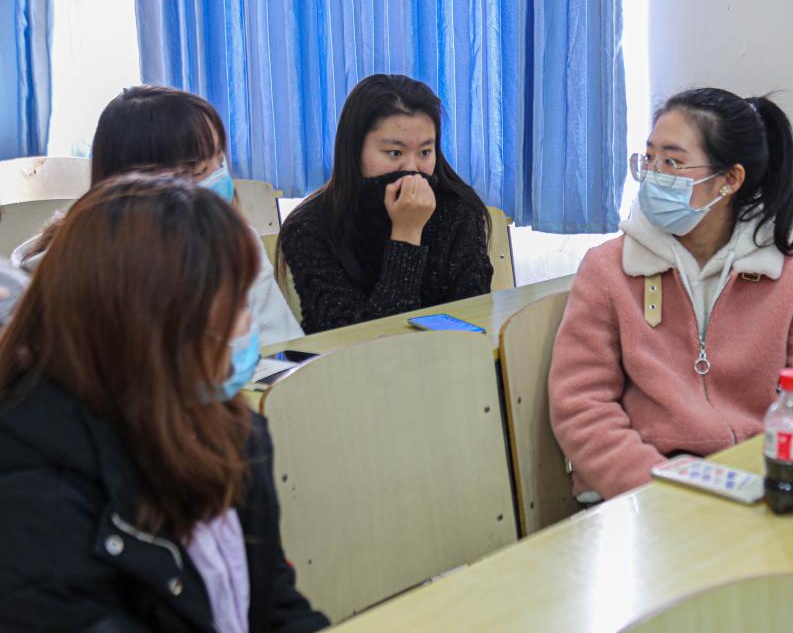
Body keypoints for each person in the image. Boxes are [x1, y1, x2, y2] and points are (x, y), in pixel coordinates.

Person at [0, 173, 328, 631]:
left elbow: (274, 604)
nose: (250, 327)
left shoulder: (231, 431)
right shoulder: (34, 492)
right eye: (234, 308)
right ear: (152, 328)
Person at [549, 87, 793, 502]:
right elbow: (581, 407)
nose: (653, 174)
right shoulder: (608, 269)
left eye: (672, 162)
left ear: (729, 180)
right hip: (641, 489)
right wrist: (659, 487)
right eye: (649, 158)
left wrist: (770, 480)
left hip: (755, 480)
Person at [10, 85, 302, 347]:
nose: (219, 178)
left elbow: (282, 346)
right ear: (136, 184)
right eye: (198, 171)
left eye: (220, 160)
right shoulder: (75, 271)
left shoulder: (237, 242)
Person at [279, 74, 493, 334]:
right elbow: (363, 341)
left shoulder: (459, 210)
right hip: (349, 360)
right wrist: (406, 235)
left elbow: (471, 322)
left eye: (425, 152)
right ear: (354, 151)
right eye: (395, 153)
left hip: (446, 358)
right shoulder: (309, 226)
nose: (413, 168)